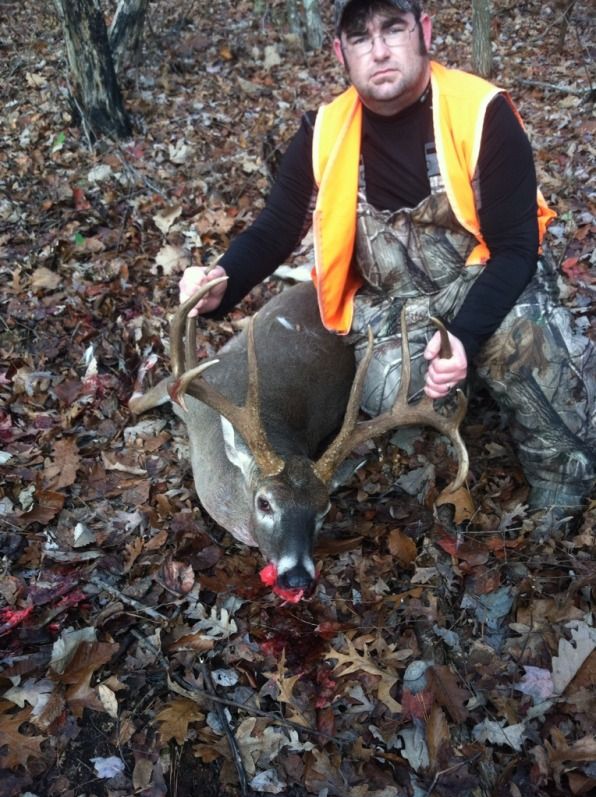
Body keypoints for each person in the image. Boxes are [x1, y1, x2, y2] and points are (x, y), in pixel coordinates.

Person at [179, 0, 594, 533]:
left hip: (485, 283)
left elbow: (515, 248)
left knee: (530, 340)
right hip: (398, 311)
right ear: (340, 53)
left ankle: (562, 482)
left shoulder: (479, 112)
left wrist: (464, 337)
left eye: (392, 29)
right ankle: (470, 399)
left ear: (422, 31)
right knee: (388, 386)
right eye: (359, 37)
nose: (378, 50)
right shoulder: (323, 133)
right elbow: (275, 229)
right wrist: (221, 282)